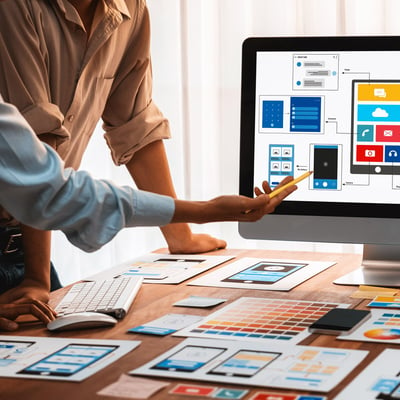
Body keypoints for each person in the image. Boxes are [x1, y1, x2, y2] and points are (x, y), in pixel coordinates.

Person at [0, 0, 231, 302]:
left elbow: (135, 124)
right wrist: (37, 278)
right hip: (31, 253)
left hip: (23, 246)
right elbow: (36, 146)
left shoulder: (130, 8)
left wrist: (180, 235)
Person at [0, 97, 297, 330]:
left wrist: (189, 226)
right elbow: (49, 191)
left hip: (22, 252)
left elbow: (53, 187)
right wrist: (205, 211)